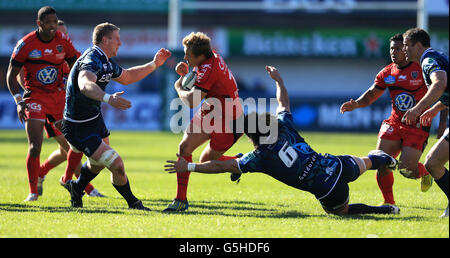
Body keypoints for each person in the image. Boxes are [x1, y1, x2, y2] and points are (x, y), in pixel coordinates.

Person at [165, 66, 400, 215]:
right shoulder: (284, 127)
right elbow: (283, 103)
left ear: (252, 137)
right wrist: (279, 81)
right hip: (336, 166)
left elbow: (222, 165)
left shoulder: (260, 158)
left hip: (327, 191)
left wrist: (188, 166)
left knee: (342, 212)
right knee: (365, 162)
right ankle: (382, 159)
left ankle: (386, 210)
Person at [61, 22, 171, 210]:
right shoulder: (91, 59)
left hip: (93, 119)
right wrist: (107, 98)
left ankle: (76, 187)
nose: (120, 43)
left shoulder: (106, 61)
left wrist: (154, 64)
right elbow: (85, 85)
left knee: (99, 162)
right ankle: (134, 203)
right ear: (105, 40)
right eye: (117, 39)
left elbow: (127, 77)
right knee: (116, 164)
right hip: (78, 126)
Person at [340, 33, 432, 206]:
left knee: (406, 169)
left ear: (406, 49)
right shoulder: (388, 73)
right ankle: (389, 202)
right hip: (395, 123)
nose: (394, 52)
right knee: (381, 160)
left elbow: (439, 88)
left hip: (417, 125)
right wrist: (356, 104)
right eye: (391, 49)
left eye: (398, 48)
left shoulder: (421, 69)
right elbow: (371, 94)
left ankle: (425, 171)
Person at [6, 6, 79, 202]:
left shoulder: (62, 42)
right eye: (49, 22)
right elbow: (10, 76)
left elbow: (76, 65)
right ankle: (32, 192)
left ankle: (77, 184)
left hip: (58, 100)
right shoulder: (26, 44)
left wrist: (75, 92)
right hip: (34, 98)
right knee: (34, 147)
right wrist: (19, 101)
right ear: (39, 24)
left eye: (55, 22)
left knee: (74, 146)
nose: (53, 26)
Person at [163, 32, 243, 212]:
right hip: (212, 111)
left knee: (206, 161)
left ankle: (239, 163)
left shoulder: (208, 68)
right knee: (184, 148)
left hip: (230, 121)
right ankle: (180, 201)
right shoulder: (210, 56)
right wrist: (187, 75)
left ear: (199, 56)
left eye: (188, 55)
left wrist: (178, 87)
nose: (184, 57)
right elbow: (201, 80)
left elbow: (191, 101)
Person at [32, 19, 106, 198]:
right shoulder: (47, 58)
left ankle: (42, 173)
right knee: (72, 147)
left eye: (64, 34)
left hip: (68, 108)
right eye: (59, 33)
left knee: (67, 150)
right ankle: (85, 188)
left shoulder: (72, 56)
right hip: (52, 107)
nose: (62, 37)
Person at [401, 28, 449, 217]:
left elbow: (440, 84)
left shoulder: (428, 60)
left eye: (406, 45)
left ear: (418, 45)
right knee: (433, 163)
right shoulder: (436, 55)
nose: (404, 49)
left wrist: (417, 108)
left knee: (433, 163)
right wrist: (435, 109)